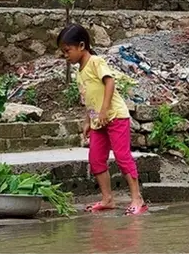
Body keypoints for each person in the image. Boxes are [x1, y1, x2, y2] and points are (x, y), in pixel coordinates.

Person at [57, 23, 148, 216]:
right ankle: (107, 199)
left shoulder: (96, 62)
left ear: (81, 46)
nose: (66, 55)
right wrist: (88, 122)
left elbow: (110, 82)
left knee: (123, 157)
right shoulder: (80, 71)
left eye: (67, 50)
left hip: (115, 116)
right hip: (98, 122)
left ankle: (137, 199)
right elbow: (88, 99)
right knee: (96, 158)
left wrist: (105, 110)